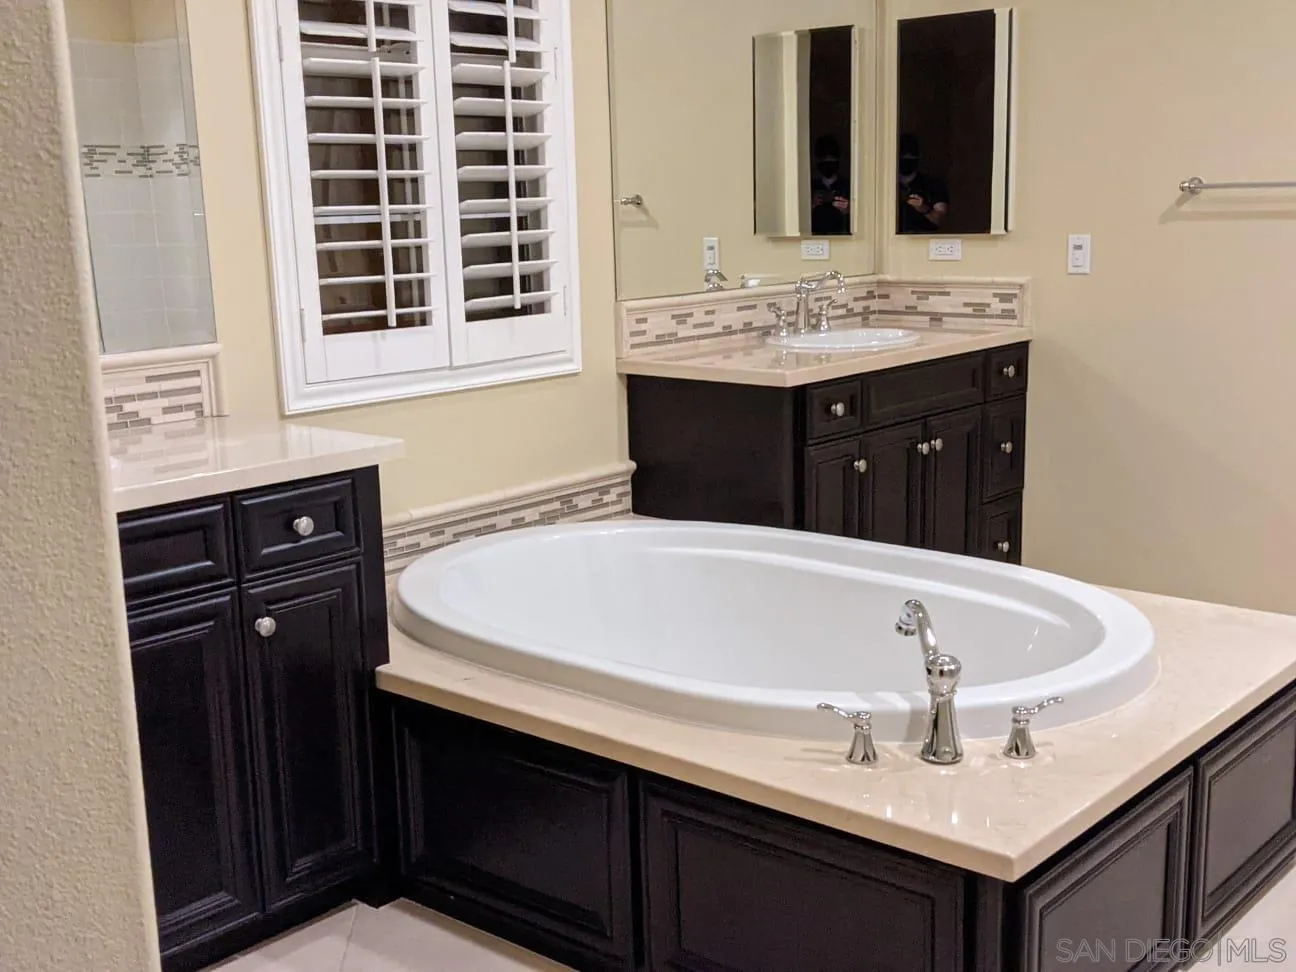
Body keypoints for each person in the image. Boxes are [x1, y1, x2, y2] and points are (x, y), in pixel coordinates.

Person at [897, 133, 949, 233]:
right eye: (903, 155)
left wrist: (924, 208)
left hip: (922, 241)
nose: (907, 159)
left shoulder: (933, 185)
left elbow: (942, 221)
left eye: (911, 156)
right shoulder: (884, 185)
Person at [810, 135, 850, 235]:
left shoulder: (849, 186)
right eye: (824, 160)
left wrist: (849, 211)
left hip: (842, 238)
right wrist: (811, 206)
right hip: (815, 237)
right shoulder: (809, 187)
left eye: (831, 160)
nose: (827, 164)